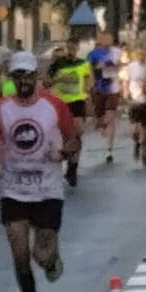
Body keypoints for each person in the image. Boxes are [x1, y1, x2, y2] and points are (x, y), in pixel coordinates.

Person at [0, 51, 80, 292]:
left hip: (47, 189)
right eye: (18, 76)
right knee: (18, 252)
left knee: (41, 255)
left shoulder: (55, 106)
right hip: (14, 189)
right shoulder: (1, 108)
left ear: (37, 77)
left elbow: (74, 138)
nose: (23, 81)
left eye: (28, 75)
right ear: (12, 78)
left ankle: (52, 259)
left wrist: (63, 152)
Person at [47, 39, 90, 187]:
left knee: (77, 134)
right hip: (61, 103)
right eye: (69, 47)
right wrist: (56, 80)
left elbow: (89, 81)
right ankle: (64, 159)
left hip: (77, 102)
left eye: (73, 47)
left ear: (77, 48)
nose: (71, 50)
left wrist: (87, 94)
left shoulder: (83, 64)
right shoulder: (58, 64)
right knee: (63, 136)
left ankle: (73, 167)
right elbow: (46, 81)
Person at [86, 30, 123, 164]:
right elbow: (88, 69)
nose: (107, 40)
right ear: (100, 39)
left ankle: (109, 150)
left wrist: (116, 65)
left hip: (113, 89)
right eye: (104, 38)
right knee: (101, 120)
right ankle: (101, 124)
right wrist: (98, 67)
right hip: (98, 89)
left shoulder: (117, 52)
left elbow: (122, 66)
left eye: (110, 38)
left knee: (110, 118)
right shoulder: (93, 54)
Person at [124, 45, 146, 166]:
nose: (141, 54)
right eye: (138, 52)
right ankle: (137, 143)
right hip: (135, 101)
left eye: (143, 51)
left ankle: (144, 153)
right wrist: (126, 93)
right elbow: (126, 81)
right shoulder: (131, 66)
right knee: (135, 130)